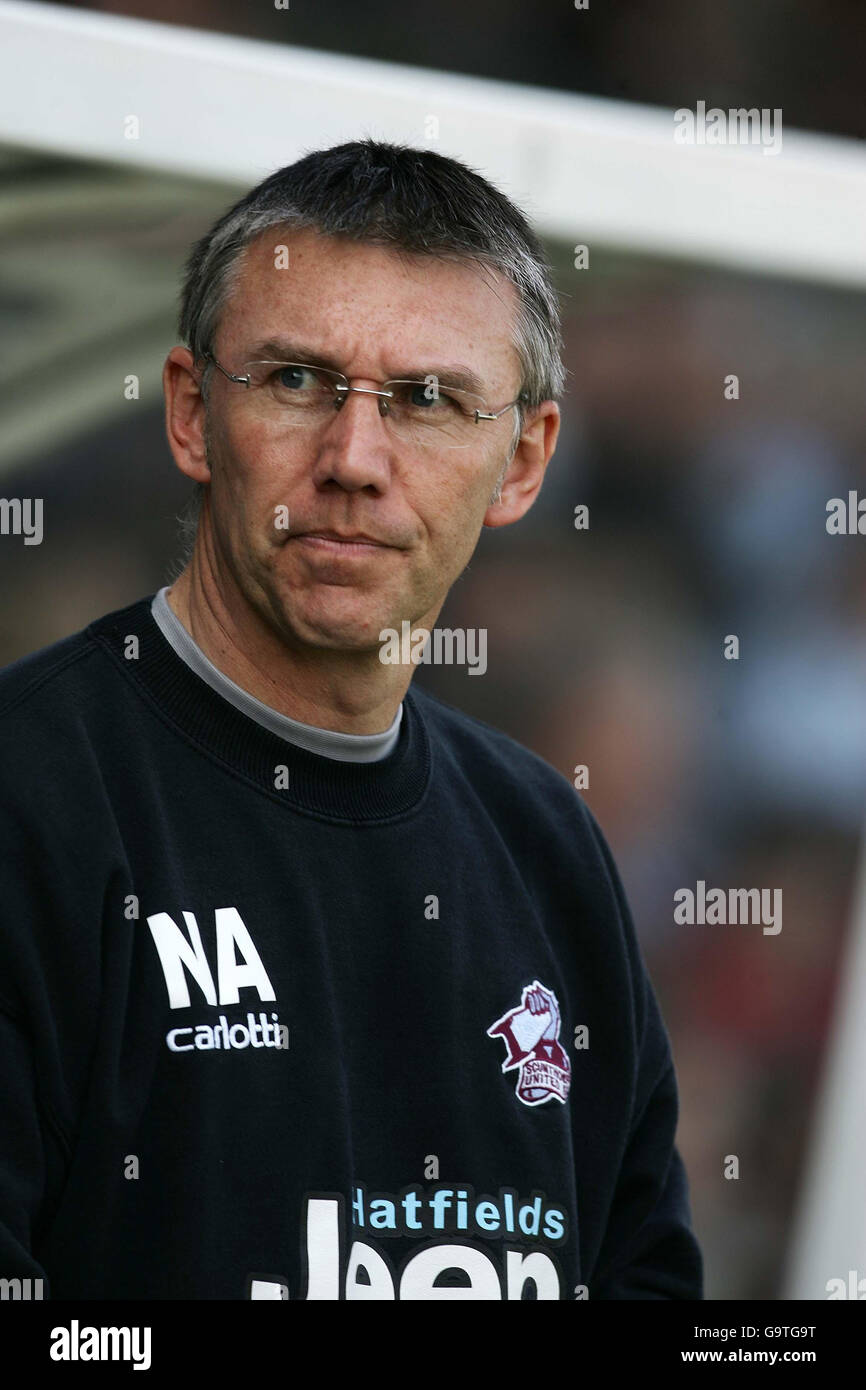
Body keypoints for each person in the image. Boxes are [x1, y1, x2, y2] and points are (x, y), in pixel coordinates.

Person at [0, 139, 702, 1300]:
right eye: (295, 380)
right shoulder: (32, 798)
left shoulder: (547, 847)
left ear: (521, 459)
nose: (354, 459)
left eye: (428, 399)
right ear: (189, 414)